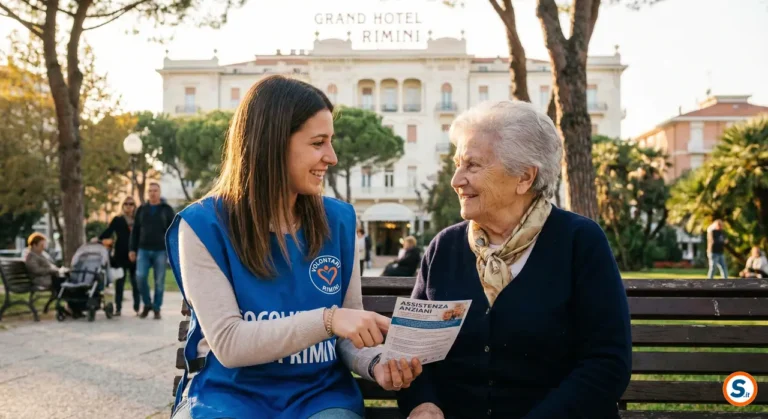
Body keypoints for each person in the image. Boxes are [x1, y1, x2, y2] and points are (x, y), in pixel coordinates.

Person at [165, 75, 421, 419]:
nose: (331, 157)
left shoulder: (339, 220)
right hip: (229, 396)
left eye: (331, 142)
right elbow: (228, 343)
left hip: (320, 397)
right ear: (271, 144)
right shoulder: (202, 226)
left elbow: (348, 335)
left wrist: (376, 364)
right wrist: (328, 320)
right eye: (318, 143)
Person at [397, 101, 632, 419]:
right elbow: (414, 351)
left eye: (473, 166)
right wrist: (423, 404)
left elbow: (607, 363)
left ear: (524, 177)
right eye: (457, 164)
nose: (456, 180)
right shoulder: (444, 248)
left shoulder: (580, 242)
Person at [129, 182, 175, 319]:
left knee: (159, 281)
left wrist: (172, 249)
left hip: (160, 250)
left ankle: (156, 308)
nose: (152, 193)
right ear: (147, 193)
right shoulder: (141, 209)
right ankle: (147, 304)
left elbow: (173, 230)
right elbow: (135, 231)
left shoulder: (166, 209)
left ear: (159, 192)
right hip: (143, 249)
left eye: (155, 190)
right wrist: (132, 249)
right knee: (140, 277)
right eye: (150, 191)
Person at [98, 197, 138, 316]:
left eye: (131, 204)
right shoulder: (118, 219)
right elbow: (109, 231)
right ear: (122, 206)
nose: (128, 206)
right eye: (126, 204)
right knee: (120, 283)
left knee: (136, 282)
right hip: (120, 255)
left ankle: (137, 308)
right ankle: (118, 308)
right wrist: (99, 239)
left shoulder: (138, 220)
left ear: (134, 206)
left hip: (135, 255)